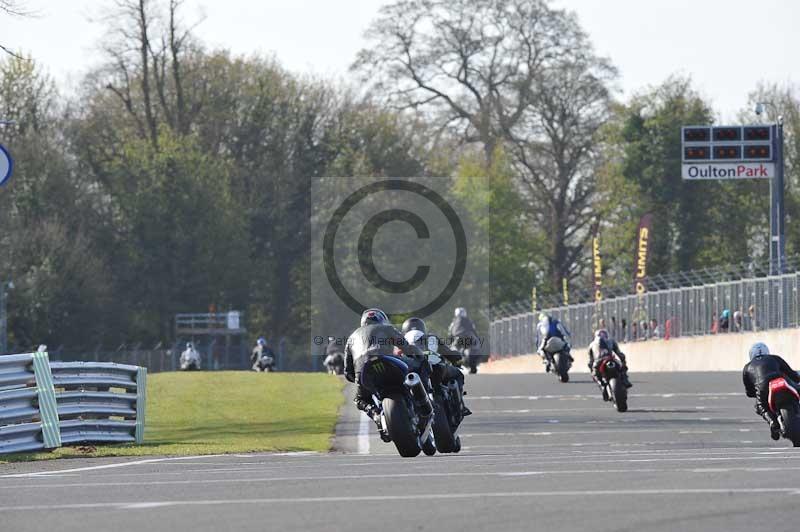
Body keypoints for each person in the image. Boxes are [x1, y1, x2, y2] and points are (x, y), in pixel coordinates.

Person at [344, 308, 425, 433]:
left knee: (360, 399)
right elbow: (406, 347)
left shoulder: (351, 338)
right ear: (382, 320)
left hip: (363, 371)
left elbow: (347, 372)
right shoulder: (387, 329)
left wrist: (357, 378)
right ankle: (423, 402)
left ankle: (376, 414)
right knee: (419, 366)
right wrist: (419, 357)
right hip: (388, 362)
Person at [401, 317, 471, 417]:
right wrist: (457, 358)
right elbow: (449, 354)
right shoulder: (431, 338)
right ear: (422, 328)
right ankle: (460, 406)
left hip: (413, 373)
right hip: (436, 368)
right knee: (458, 374)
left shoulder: (401, 341)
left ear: (404, 330)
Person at [742, 342, 800, 440]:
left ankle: (772, 421)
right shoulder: (774, 358)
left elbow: (749, 391)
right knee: (797, 388)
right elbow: (791, 374)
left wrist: (754, 393)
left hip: (762, 387)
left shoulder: (747, 367)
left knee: (760, 406)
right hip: (779, 380)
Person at [448, 307, 482, 373]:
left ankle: (455, 365)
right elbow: (474, 330)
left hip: (458, 338)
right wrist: (477, 338)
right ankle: (472, 364)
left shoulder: (454, 321)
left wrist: (450, 340)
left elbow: (450, 332)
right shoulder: (469, 320)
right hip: (469, 337)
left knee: (453, 350)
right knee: (476, 348)